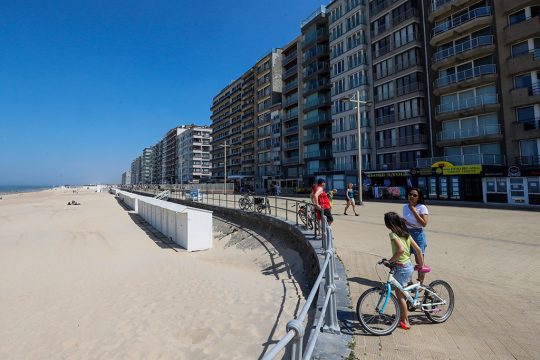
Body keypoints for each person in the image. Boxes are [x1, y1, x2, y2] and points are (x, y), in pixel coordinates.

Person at [384, 211, 424, 330]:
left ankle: (405, 321)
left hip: (401, 267)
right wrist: (420, 265)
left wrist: (390, 261)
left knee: (399, 295)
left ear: (389, 224)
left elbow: (400, 250)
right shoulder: (406, 234)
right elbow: (418, 250)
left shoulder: (393, 235)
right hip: (408, 266)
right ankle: (402, 314)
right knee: (403, 292)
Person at [403, 187, 429, 284]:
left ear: (419, 197)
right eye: (410, 194)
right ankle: (408, 281)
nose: (412, 196)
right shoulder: (405, 207)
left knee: (419, 261)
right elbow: (406, 220)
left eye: (415, 195)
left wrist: (414, 211)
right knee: (406, 259)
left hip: (418, 234)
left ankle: (420, 283)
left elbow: (424, 224)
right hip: (406, 233)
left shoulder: (422, 207)